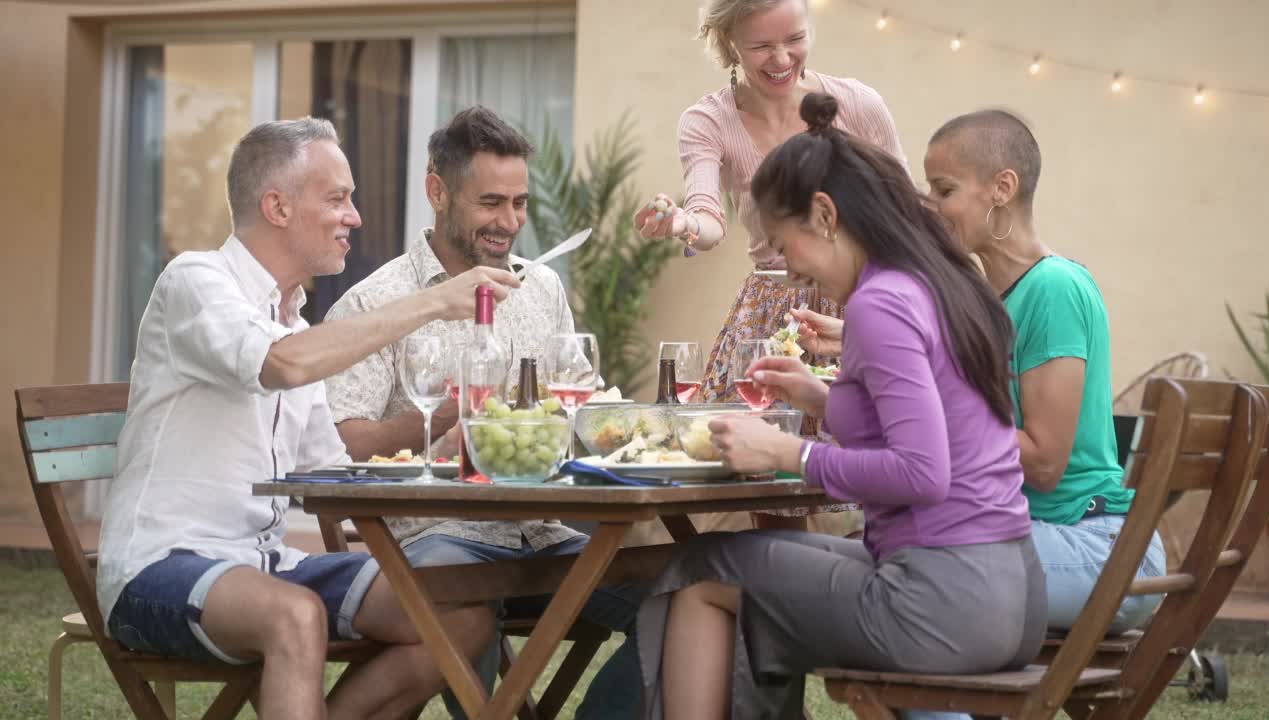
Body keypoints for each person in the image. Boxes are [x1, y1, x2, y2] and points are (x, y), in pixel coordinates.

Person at [636, 93, 1047, 720]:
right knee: (722, 566)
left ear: (825, 216)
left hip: (938, 601)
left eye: (782, 242)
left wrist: (790, 453)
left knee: (697, 575)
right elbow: (938, 428)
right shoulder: (943, 281)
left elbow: (923, 472)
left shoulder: (880, 303)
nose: (785, 266)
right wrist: (816, 396)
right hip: (1012, 597)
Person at [96, 118, 517, 719]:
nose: (355, 217)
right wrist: (432, 302)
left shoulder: (294, 324)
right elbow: (279, 364)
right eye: (338, 198)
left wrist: (449, 441)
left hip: (266, 561)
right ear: (278, 207)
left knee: (459, 611)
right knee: (294, 615)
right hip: (160, 566)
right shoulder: (196, 282)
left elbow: (333, 472)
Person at [795, 109, 1166, 635]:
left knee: (908, 567)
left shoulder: (1054, 289)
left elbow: (1043, 462)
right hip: (1023, 534)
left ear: (1002, 188)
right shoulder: (981, 299)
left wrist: (923, 408)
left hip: (1097, 547)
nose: (932, 206)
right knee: (877, 561)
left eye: (944, 189)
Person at [324, 106, 641, 720]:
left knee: (682, 594)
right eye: (491, 203)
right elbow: (341, 446)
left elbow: (574, 403)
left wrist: (602, 418)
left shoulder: (540, 288)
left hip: (549, 532)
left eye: (519, 203)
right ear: (437, 192)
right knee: (458, 607)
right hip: (437, 537)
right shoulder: (376, 302)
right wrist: (442, 416)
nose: (510, 222)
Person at [632, 0, 909, 530]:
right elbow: (708, 217)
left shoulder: (858, 104)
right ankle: (782, 602)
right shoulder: (708, 120)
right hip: (774, 315)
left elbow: (903, 208)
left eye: (795, 39)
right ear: (728, 42)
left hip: (858, 303)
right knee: (769, 495)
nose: (783, 58)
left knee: (878, 478)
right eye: (762, 46)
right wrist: (682, 224)